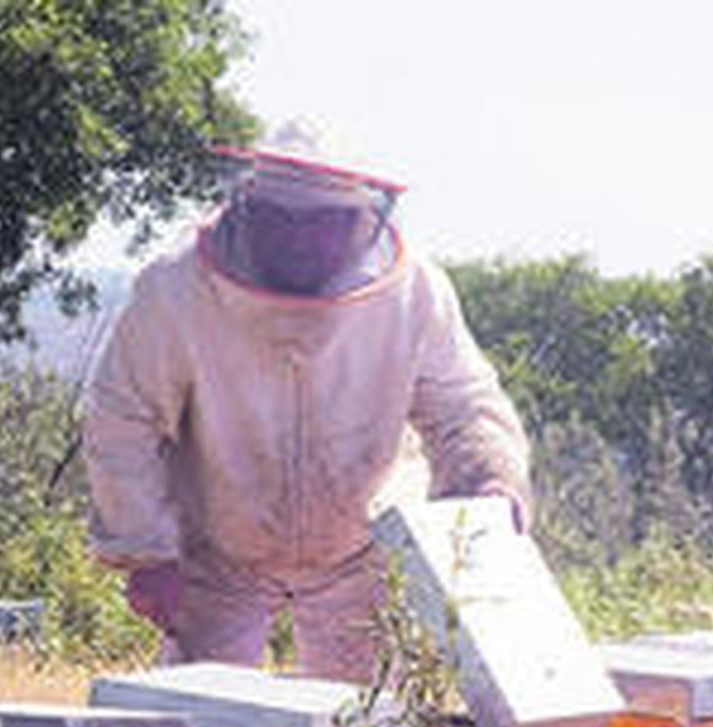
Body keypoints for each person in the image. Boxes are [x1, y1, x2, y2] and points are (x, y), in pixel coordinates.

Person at [82, 120, 532, 683]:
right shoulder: (174, 286)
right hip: (220, 549)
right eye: (281, 221)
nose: (299, 240)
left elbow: (464, 404)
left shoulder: (415, 291)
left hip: (363, 548)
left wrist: (492, 478)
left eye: (323, 223)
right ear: (247, 209)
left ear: (362, 220)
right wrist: (146, 550)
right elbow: (123, 417)